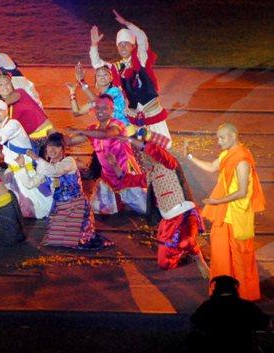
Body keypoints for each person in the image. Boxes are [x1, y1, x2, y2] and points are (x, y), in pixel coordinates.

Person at [108, 128, 209, 275]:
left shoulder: (170, 164)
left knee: (185, 241)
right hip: (168, 222)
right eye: (142, 156)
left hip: (185, 216)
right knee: (164, 264)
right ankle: (185, 255)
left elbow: (154, 151)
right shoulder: (151, 174)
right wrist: (114, 166)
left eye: (145, 154)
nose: (144, 158)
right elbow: (129, 180)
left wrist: (130, 140)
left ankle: (200, 260)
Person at [186, 123, 266, 301]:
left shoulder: (242, 161)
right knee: (220, 253)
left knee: (241, 257)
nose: (219, 142)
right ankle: (223, 292)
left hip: (237, 215)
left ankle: (245, 295)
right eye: (218, 138)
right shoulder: (227, 154)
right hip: (224, 215)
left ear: (233, 136)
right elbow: (212, 166)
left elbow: (242, 191)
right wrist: (190, 156)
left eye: (222, 138)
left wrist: (216, 201)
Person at [90, 10, 171, 146]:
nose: (122, 47)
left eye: (126, 44)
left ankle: (169, 164)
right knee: (142, 145)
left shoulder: (141, 59)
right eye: (120, 44)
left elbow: (141, 37)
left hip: (151, 109)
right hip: (134, 113)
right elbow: (97, 64)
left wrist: (127, 24)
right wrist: (94, 45)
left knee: (164, 144)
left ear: (133, 46)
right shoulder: (116, 67)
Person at [19, 133, 112, 250]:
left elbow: (55, 171)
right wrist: (21, 167)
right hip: (59, 208)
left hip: (76, 205)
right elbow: (30, 184)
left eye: (57, 146)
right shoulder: (45, 166)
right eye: (50, 146)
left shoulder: (69, 161)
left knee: (79, 242)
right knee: (56, 243)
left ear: (63, 149)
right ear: (46, 148)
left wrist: (37, 159)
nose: (52, 150)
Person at [66, 94, 147, 215]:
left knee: (144, 209)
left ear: (112, 110)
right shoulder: (92, 129)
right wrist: (55, 137)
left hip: (126, 173)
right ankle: (120, 203)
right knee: (99, 210)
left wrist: (81, 130)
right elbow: (70, 141)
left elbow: (108, 134)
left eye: (105, 108)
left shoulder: (117, 124)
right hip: (108, 178)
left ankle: (125, 201)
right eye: (97, 108)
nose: (100, 111)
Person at [0, 96, 53, 219]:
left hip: (25, 168)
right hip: (14, 169)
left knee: (39, 204)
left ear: (6, 111)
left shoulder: (13, 124)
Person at [189, 276, 271, 353]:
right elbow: (263, 323)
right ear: (235, 289)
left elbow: (195, 321)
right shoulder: (247, 305)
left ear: (215, 289)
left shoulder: (207, 305)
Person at [0, 74, 54, 149]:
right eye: (1, 84)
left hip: (47, 135)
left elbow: (8, 100)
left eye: (7, 83)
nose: (5, 86)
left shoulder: (19, 93)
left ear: (12, 85)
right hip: (28, 144)